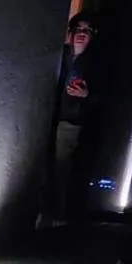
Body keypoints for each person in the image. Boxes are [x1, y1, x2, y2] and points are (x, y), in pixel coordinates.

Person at [41, 14, 101, 226]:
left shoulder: (95, 64)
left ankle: (58, 215)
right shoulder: (62, 55)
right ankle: (46, 212)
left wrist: (87, 96)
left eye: (87, 30)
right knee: (45, 165)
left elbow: (106, 96)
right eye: (79, 29)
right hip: (49, 117)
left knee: (61, 168)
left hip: (71, 121)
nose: (82, 34)